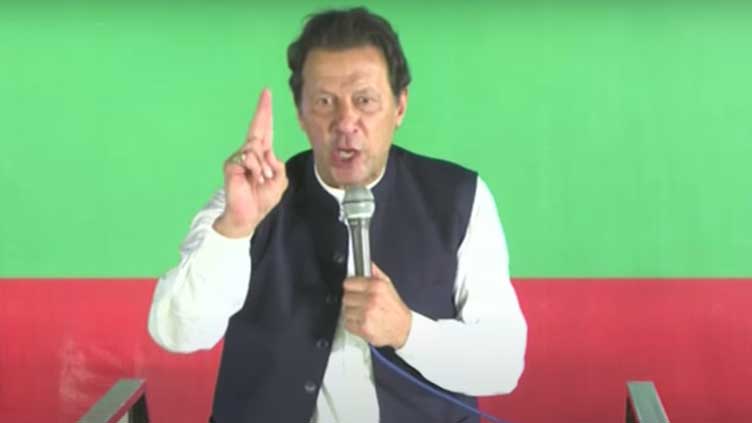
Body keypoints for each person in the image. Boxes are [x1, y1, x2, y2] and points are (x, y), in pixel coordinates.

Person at [148, 7, 527, 423]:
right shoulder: (249, 197)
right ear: (300, 113)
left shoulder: (459, 197)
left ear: (400, 106)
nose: (346, 123)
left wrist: (407, 330)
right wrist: (235, 229)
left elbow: (504, 362)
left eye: (365, 101)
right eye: (325, 102)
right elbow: (176, 332)